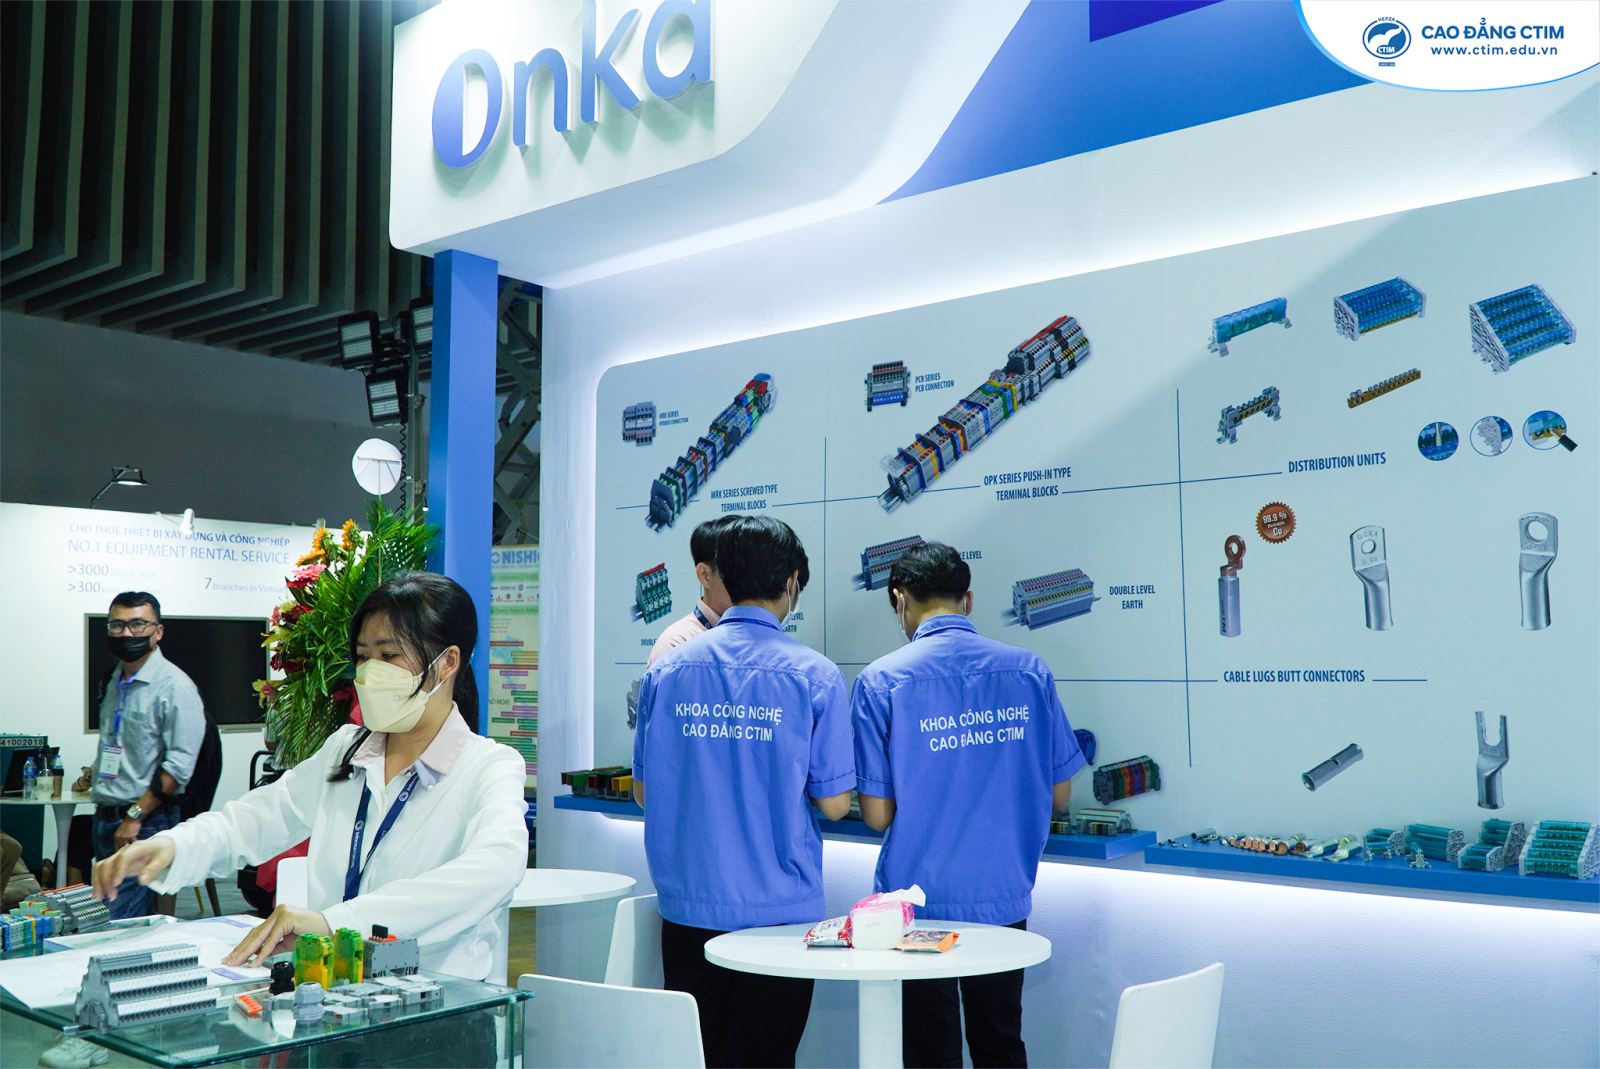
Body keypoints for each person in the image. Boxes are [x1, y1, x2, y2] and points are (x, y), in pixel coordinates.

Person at [91, 573, 529, 987]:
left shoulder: (488, 766)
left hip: (440, 1002)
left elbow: (493, 869)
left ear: (447, 662)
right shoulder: (347, 750)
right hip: (335, 996)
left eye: (389, 655)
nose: (369, 672)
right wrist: (172, 846)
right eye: (363, 656)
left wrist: (334, 923)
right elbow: (258, 818)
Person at [851, 543, 1087, 1069]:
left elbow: (877, 815)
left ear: (899, 601)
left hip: (916, 906)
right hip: (1003, 896)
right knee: (1000, 1041)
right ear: (969, 600)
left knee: (929, 1051)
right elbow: (1060, 794)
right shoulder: (1028, 671)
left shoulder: (880, 682)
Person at [632, 516, 853, 1068]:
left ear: (722, 577)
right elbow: (834, 804)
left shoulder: (667, 670)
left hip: (688, 907)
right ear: (792, 583)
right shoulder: (816, 676)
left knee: (699, 1055)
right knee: (767, 1057)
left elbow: (643, 792)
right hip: (778, 912)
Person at [90, 592, 205, 919]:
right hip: (107, 816)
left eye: (138, 624)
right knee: (111, 914)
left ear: (158, 631)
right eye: (117, 625)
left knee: (118, 920)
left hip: (144, 820)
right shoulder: (113, 679)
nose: (127, 633)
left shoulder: (175, 686)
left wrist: (134, 816)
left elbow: (179, 767)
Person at [646, 514, 737, 667]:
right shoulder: (675, 646)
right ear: (705, 575)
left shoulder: (757, 636)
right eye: (737, 570)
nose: (750, 581)